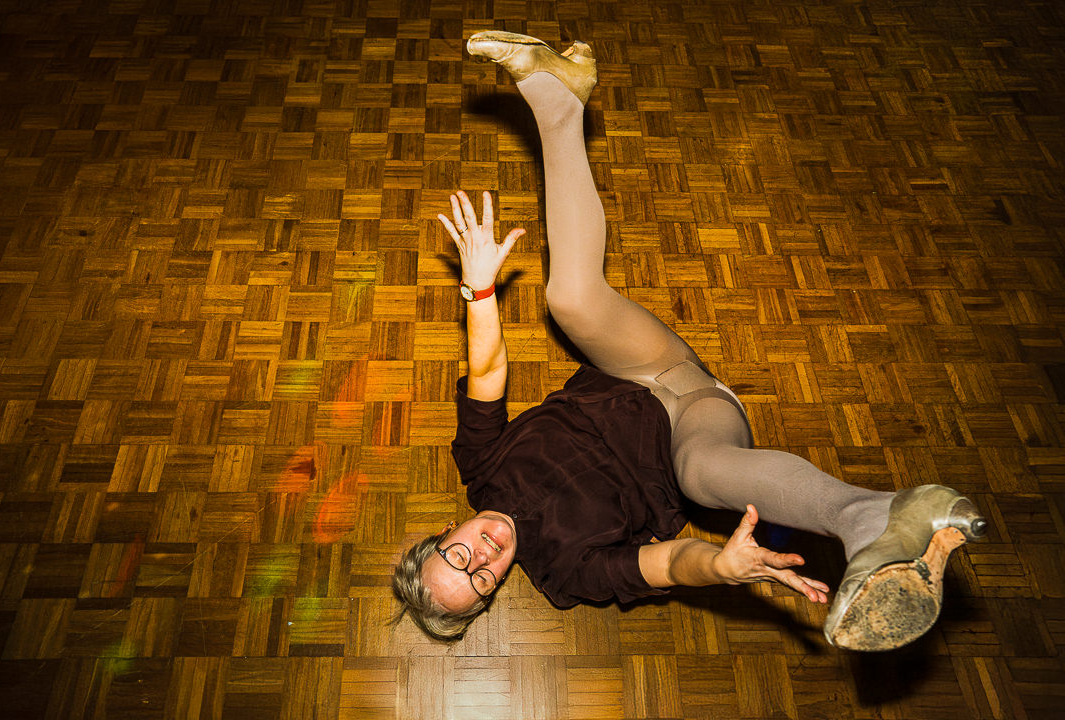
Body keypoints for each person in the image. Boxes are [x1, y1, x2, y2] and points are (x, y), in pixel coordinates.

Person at [392, 31, 987, 651]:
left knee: (568, 298)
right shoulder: (564, 573)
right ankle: (867, 515)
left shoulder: (481, 467)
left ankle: (559, 103)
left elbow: (486, 374)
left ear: (444, 533)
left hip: (634, 367)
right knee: (704, 479)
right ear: (495, 590)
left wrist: (481, 289)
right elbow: (670, 564)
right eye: (482, 580)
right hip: (694, 427)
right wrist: (720, 567)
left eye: (457, 556)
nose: (483, 556)